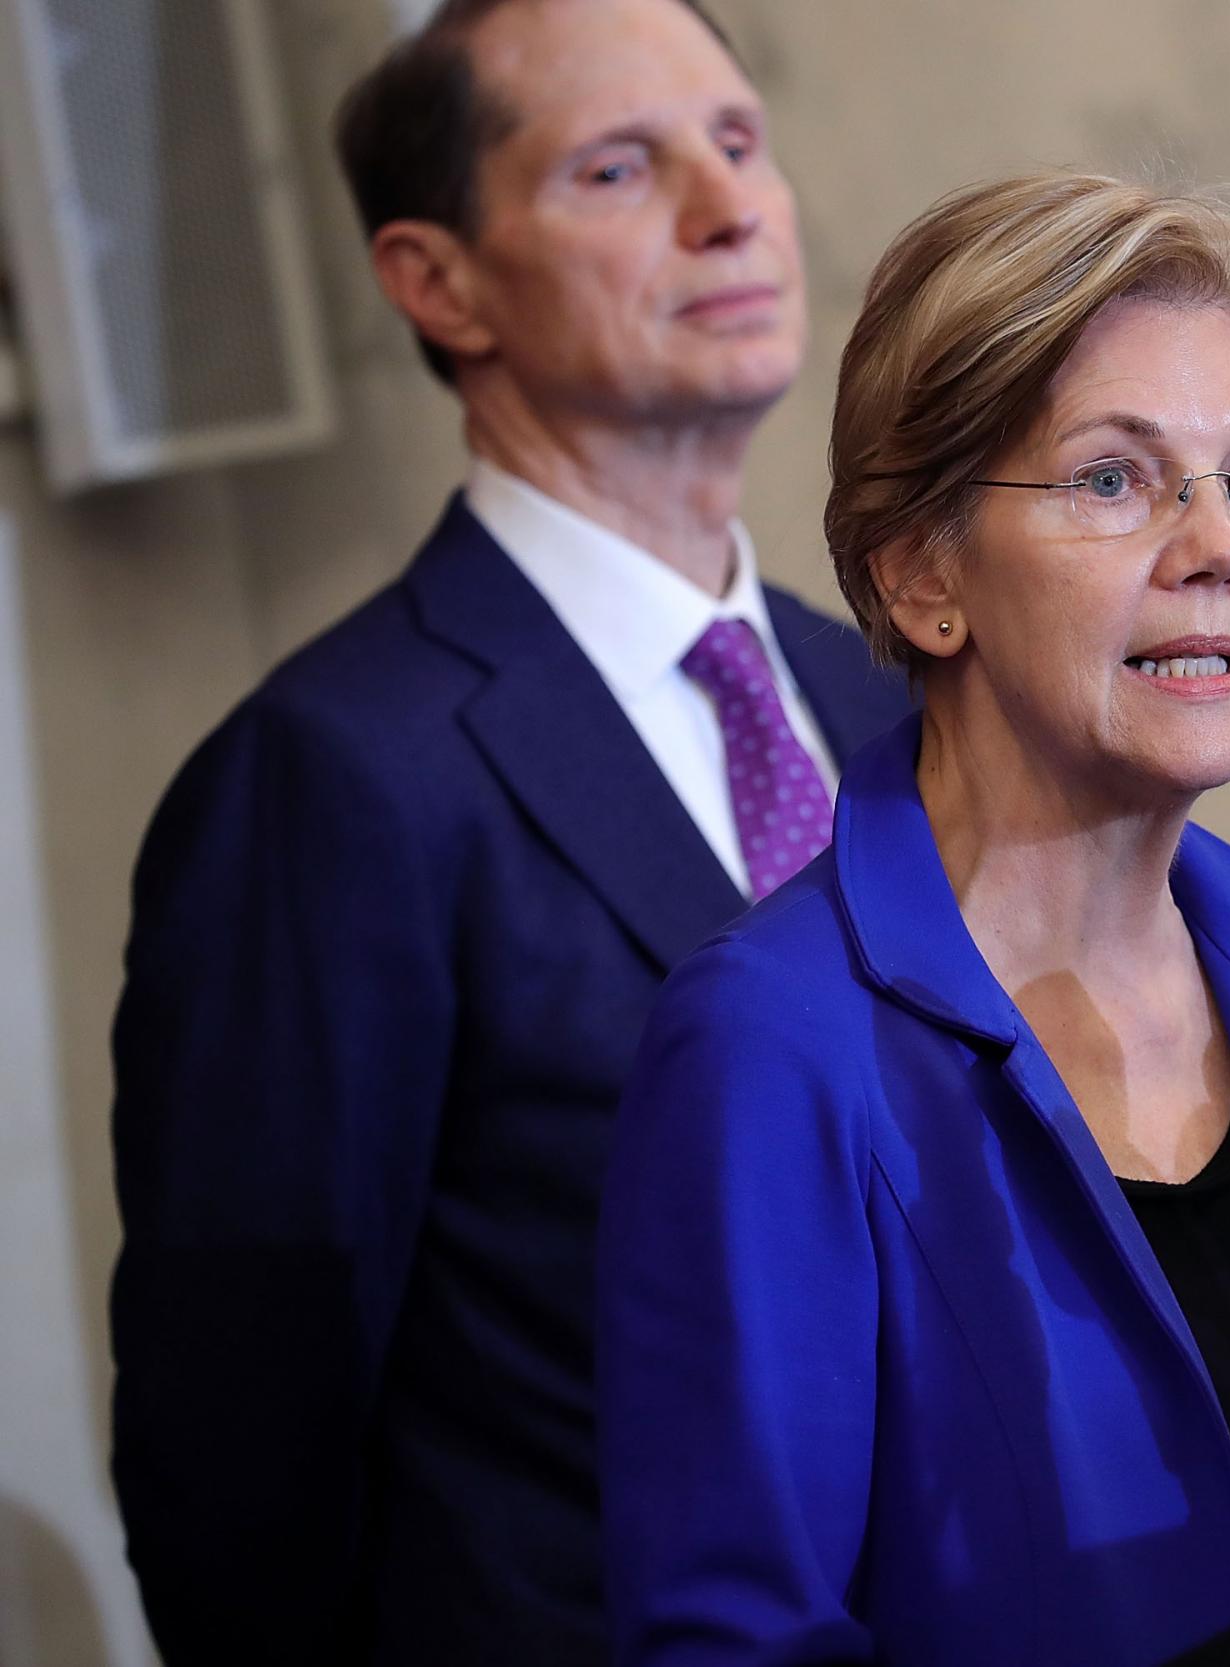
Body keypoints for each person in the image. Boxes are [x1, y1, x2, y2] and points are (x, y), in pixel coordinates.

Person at [596, 171, 1230, 1667]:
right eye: (1115, 480)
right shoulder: (775, 1052)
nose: (1219, 543)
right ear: (922, 572)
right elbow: (733, 1640)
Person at [106, 3, 907, 1661]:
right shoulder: (333, 779)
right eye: (622, 167)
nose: (730, 206)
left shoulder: (883, 697)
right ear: (438, 282)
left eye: (738, 142)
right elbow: (244, 1459)